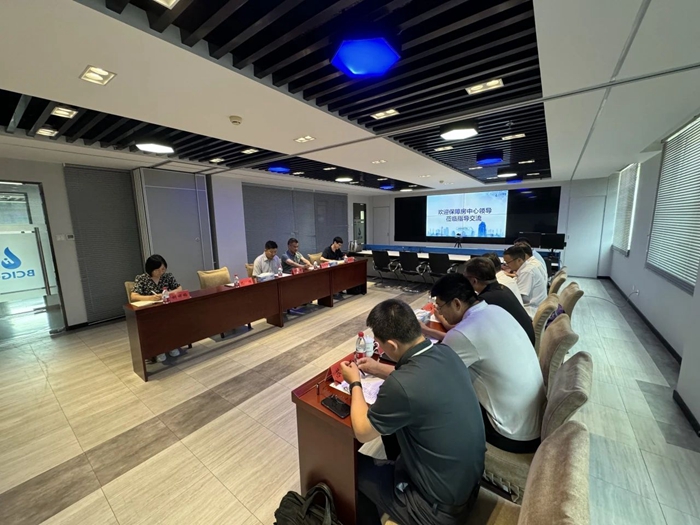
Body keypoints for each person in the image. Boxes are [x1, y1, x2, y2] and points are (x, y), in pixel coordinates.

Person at [343, 299, 485, 525]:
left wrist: (355, 383)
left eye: (379, 345)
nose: (380, 349)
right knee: (394, 434)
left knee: (347, 465)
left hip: (437, 511)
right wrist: (377, 368)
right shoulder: (446, 352)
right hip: (466, 487)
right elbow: (418, 382)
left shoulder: (401, 386)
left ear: (392, 345)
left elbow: (362, 431)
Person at [431, 273, 545, 454]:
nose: (440, 312)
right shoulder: (495, 310)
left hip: (510, 434)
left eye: (440, 306)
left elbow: (431, 377)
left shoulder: (463, 334)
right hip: (533, 422)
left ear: (457, 303)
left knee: (435, 400)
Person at [463, 257, 536, 346]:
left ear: (474, 281)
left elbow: (468, 329)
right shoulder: (502, 289)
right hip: (525, 343)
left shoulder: (485, 301)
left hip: (518, 346)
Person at [131, 254, 183, 362]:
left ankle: (172, 345)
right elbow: (134, 296)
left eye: (163, 269)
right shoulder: (142, 279)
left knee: (173, 320)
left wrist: (167, 293)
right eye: (157, 270)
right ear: (150, 269)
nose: (161, 272)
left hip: (167, 309)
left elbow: (179, 288)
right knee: (157, 324)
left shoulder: (167, 276)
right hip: (150, 312)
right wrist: (150, 297)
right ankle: (159, 350)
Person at [503, 245, 547, 317]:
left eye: (508, 262)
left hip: (530, 311)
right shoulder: (526, 267)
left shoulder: (527, 271)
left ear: (519, 260)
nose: (506, 265)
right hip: (530, 307)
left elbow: (519, 297)